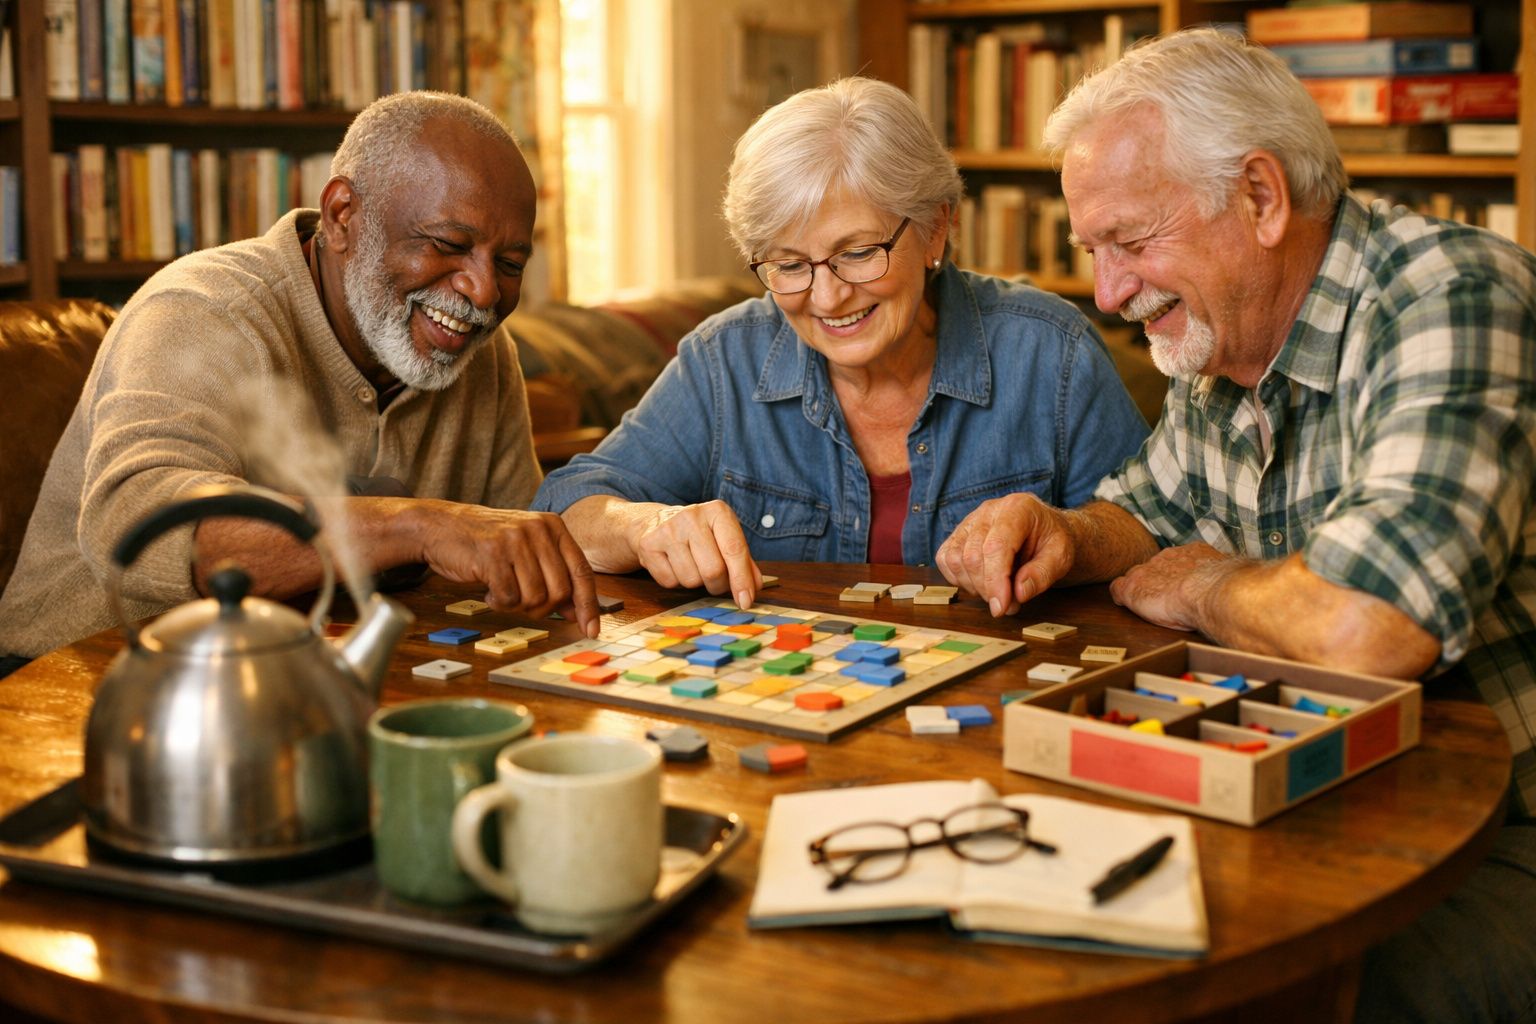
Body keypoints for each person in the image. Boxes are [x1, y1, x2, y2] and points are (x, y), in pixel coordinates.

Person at [936, 29, 1536, 1022]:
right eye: (1095, 251)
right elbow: (1145, 512)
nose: (1110, 293)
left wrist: (1205, 584)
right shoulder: (1227, 337)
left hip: (1510, 819)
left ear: (1260, 197)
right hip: (1349, 788)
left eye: (1131, 242)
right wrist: (1065, 531)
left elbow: (1371, 629)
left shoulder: (1450, 298)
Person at [0, 90, 599, 667]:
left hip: (311, 677)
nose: (484, 290)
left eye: (511, 263)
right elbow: (138, 524)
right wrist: (419, 524)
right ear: (343, 216)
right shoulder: (202, 309)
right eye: (448, 244)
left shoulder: (482, 355)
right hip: (85, 678)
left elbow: (512, 543)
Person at [533, 77, 1148, 610]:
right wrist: (645, 525)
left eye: (857, 253)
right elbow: (565, 504)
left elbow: (1150, 527)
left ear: (937, 227)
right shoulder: (724, 361)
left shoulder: (1050, 352)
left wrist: (1071, 534)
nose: (826, 299)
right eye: (789, 264)